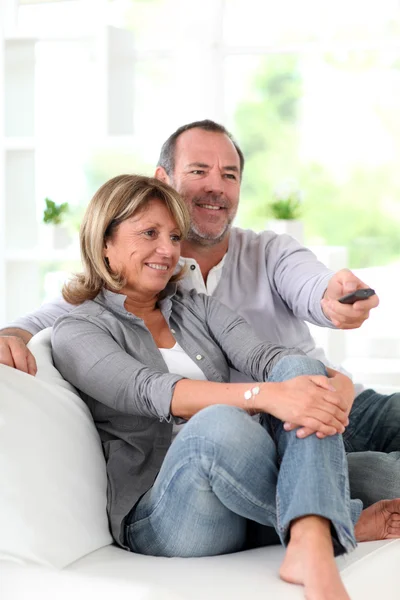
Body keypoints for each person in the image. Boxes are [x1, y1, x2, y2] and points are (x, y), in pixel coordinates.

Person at [0, 119, 399, 506]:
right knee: (378, 476)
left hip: (331, 405)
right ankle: (325, 512)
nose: (216, 186)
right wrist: (11, 336)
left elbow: (313, 286)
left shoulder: (266, 253)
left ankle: (319, 508)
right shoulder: (117, 296)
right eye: (199, 170)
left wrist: (334, 303)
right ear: (163, 178)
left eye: (229, 174)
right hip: (259, 434)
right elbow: (45, 320)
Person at [50, 173, 400, 600]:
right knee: (218, 425)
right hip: (167, 514)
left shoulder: (195, 307)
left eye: (174, 236)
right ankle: (325, 531)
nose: (168, 250)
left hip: (245, 486)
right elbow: (154, 391)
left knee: (373, 462)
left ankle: (309, 526)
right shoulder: (78, 328)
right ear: (104, 241)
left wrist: (334, 384)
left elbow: (267, 358)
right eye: (150, 233)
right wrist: (265, 396)